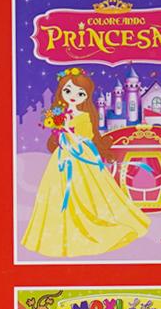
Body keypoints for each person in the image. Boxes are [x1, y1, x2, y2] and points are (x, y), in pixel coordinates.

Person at [22, 68, 149, 257]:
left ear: (86, 96)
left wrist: (68, 130)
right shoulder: (59, 114)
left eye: (80, 93)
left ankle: (94, 224)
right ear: (61, 92)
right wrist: (60, 128)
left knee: (87, 192)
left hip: (81, 155)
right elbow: (56, 132)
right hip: (63, 156)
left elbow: (87, 136)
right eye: (68, 91)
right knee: (57, 192)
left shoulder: (85, 115)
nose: (73, 96)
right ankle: (61, 233)